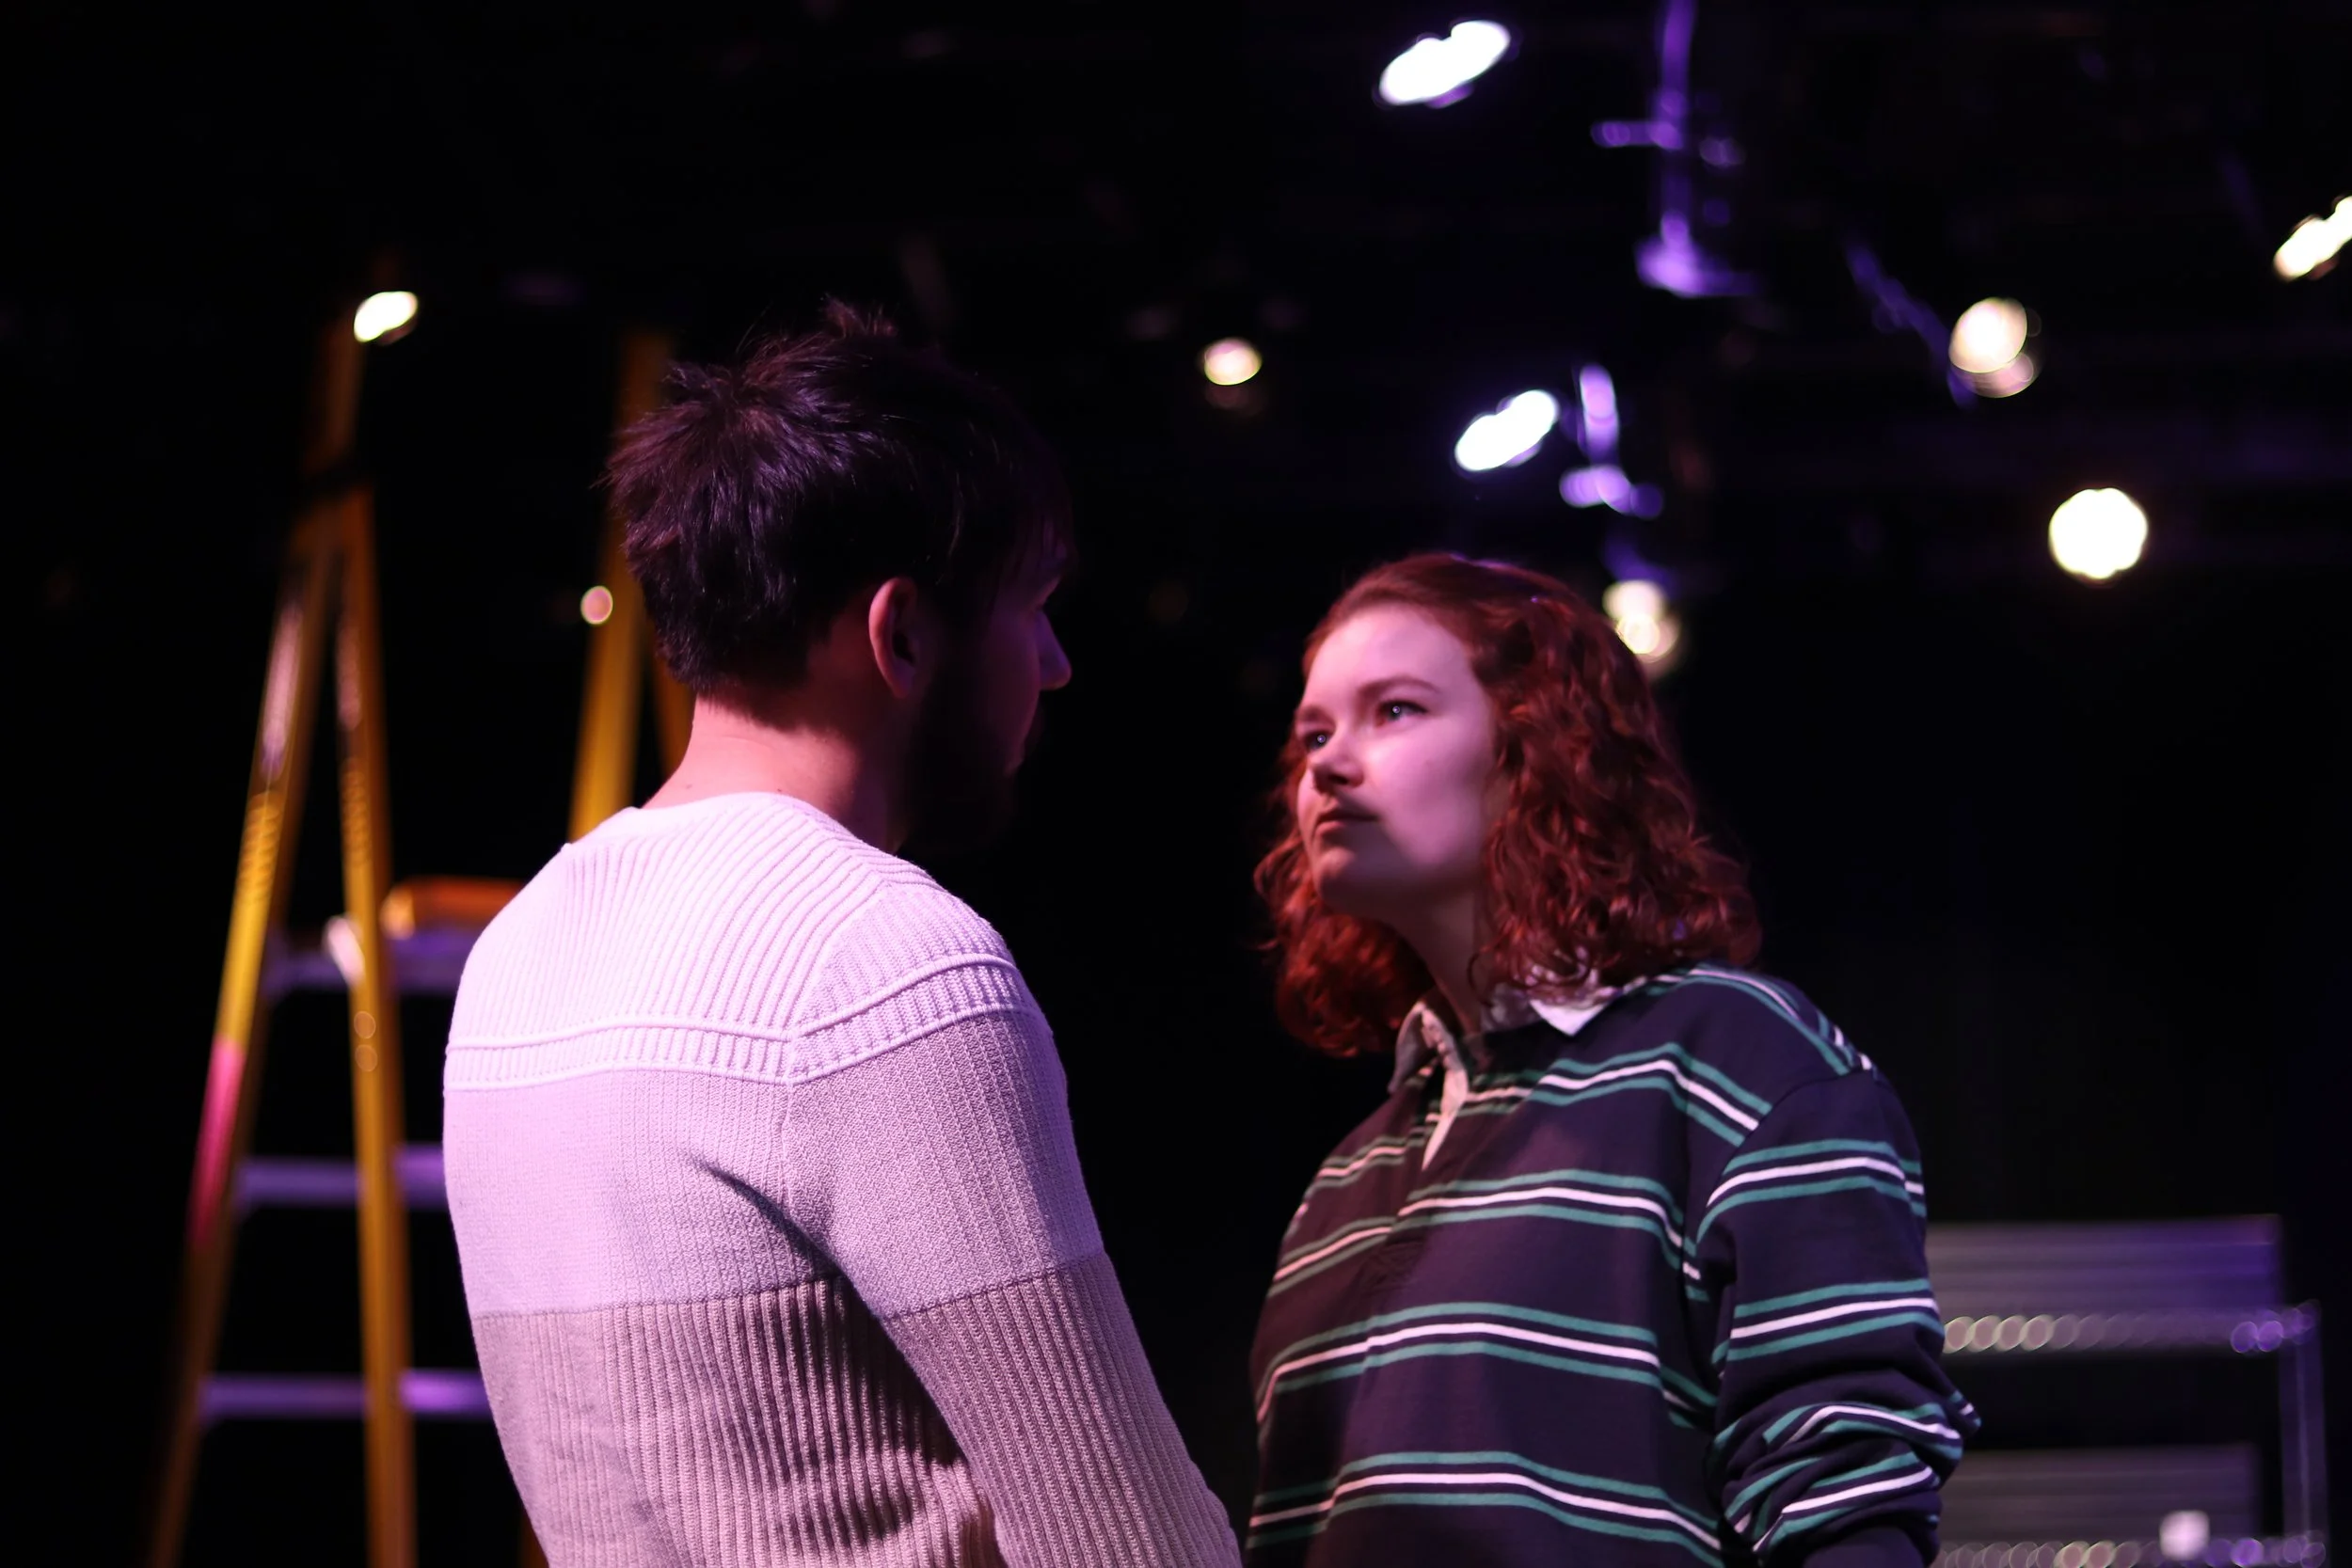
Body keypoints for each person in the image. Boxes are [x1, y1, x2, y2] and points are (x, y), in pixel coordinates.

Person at [442, 307, 1239, 1567]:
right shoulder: (889, 963)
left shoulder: (514, 958)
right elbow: (1122, 1534)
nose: (1057, 661)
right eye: (1032, 605)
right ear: (903, 632)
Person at [1246, 555, 1975, 1568]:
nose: (1327, 762)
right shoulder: (1345, 1179)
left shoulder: (1732, 1060)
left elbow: (1840, 1488)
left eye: (1396, 710)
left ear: (1535, 746)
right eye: (1312, 732)